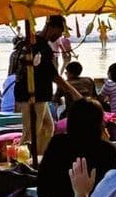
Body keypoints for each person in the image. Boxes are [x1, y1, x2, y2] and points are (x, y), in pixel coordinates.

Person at [15, 16, 82, 154]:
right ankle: (20, 161)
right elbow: (54, 76)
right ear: (51, 27)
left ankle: (40, 156)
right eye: (60, 31)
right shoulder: (40, 46)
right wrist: (74, 93)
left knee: (47, 127)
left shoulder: (35, 42)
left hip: (39, 95)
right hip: (32, 94)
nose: (60, 36)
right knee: (30, 134)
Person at [37, 99, 116, 197]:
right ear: (99, 121)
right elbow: (108, 190)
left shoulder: (57, 143)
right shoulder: (108, 150)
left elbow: (43, 183)